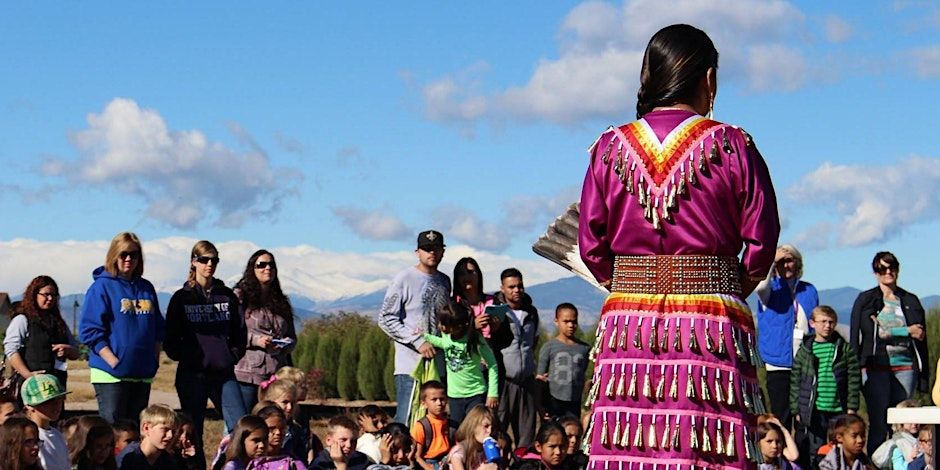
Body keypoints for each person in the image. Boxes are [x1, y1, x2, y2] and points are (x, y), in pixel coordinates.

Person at [577, 24, 780, 468]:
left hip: (628, 323)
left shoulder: (609, 148)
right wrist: (727, 284)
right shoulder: (732, 145)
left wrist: (633, 281)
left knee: (631, 445)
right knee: (705, 444)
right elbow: (762, 242)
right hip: (709, 327)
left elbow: (591, 245)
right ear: (709, 79)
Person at [165, 240, 247, 447]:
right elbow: (171, 337)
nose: (209, 264)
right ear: (194, 262)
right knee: (192, 432)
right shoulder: (182, 298)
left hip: (223, 374)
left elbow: (240, 331)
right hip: (192, 375)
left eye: (214, 260)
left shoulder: (227, 296)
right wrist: (187, 356)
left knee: (240, 426)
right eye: (204, 259)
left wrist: (231, 355)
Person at [79, 232, 164, 423]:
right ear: (113, 256)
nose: (128, 259)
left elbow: (158, 327)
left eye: (133, 254)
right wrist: (113, 360)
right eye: (123, 254)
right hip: (111, 375)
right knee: (113, 432)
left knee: (136, 432)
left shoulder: (146, 288)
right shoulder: (101, 287)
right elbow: (90, 331)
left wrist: (154, 358)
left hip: (141, 373)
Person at [850, 251, 928, 455]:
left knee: (904, 423)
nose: (888, 272)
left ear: (898, 270)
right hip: (876, 367)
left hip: (906, 367)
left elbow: (921, 334)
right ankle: (876, 462)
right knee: (878, 421)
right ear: (874, 272)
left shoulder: (910, 300)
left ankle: (902, 462)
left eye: (891, 267)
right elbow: (869, 332)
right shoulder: (866, 300)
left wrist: (924, 375)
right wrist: (906, 331)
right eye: (882, 269)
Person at [378, 230, 451, 424]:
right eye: (427, 249)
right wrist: (417, 341)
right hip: (410, 365)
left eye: (436, 249)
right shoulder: (404, 278)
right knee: (407, 419)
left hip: (438, 365)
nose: (431, 253)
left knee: (433, 421)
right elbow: (386, 318)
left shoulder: (444, 281)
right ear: (417, 251)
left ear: (443, 251)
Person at [755, 245, 818, 426]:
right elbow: (760, 286)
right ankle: (780, 452)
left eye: (789, 260)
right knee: (780, 415)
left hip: (803, 360)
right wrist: (771, 260)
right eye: (781, 262)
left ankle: (803, 453)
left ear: (797, 263)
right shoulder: (769, 290)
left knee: (805, 416)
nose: (786, 265)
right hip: (777, 361)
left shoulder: (809, 290)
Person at [790, 305, 860, 463]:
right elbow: (796, 381)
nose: (827, 326)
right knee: (816, 448)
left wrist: (852, 406)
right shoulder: (805, 351)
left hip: (838, 408)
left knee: (840, 446)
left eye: (831, 322)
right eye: (823, 321)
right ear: (812, 323)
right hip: (814, 409)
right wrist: (796, 409)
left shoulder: (844, 349)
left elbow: (854, 379)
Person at [233, 249, 298, 414]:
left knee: (272, 421)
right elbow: (231, 332)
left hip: (276, 375)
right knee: (244, 421)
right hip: (246, 374)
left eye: (271, 265)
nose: (267, 268)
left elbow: (292, 337)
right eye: (261, 265)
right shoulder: (239, 297)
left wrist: (283, 345)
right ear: (252, 269)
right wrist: (256, 340)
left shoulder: (282, 301)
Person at [423, 300, 498, 424]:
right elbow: (443, 343)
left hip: (475, 394)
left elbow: (492, 364)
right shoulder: (446, 335)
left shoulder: (475, 339)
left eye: (445, 324)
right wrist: (424, 336)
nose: (441, 327)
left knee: (474, 429)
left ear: (458, 326)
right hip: (454, 396)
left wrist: (493, 393)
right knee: (455, 431)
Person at [4, 276, 80, 389]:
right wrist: (28, 376)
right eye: (46, 294)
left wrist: (68, 350)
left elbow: (76, 352)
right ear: (34, 295)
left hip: (56, 386)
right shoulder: (22, 320)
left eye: (54, 295)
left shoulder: (58, 323)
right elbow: (11, 350)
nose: (50, 298)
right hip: (30, 387)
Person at [494, 268, 539, 449]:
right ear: (502, 288)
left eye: (519, 286)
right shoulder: (496, 312)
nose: (516, 290)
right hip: (504, 381)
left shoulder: (532, 312)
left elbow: (534, 341)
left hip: (526, 381)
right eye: (511, 287)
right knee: (498, 430)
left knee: (526, 434)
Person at [536, 303, 589, 420]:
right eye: (566, 321)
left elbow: (583, 372)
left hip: (575, 401)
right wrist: (540, 405)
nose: (571, 325)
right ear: (556, 322)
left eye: (574, 321)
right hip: (553, 401)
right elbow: (540, 378)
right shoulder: (549, 346)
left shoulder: (584, 348)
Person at [21, 373, 70, 470]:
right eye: (48, 401)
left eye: (59, 399)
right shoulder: (26, 438)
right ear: (29, 406)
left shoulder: (57, 435)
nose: (56, 405)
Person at [257, 376, 308, 463]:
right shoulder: (259, 426)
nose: (290, 407)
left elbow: (301, 459)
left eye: (293, 403)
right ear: (271, 401)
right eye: (285, 402)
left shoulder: (296, 431)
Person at [116, 404, 180, 470]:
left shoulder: (168, 461)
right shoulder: (128, 458)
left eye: (174, 431)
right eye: (165, 429)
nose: (170, 435)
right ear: (146, 428)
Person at [410, 381, 454, 470]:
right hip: (430, 463)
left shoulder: (451, 424)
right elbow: (417, 456)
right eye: (434, 399)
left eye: (442, 399)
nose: (439, 403)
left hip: (448, 460)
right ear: (424, 403)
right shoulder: (422, 426)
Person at [252, 405, 305, 470]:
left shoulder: (292, 462)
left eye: (282, 428)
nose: (278, 432)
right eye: (271, 428)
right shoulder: (249, 460)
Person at [872, 400, 921, 470]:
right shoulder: (898, 444)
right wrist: (912, 459)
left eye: (916, 418)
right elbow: (899, 468)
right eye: (909, 419)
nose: (914, 423)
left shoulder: (918, 438)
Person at [446, 405, 498, 470]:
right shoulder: (460, 452)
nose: (490, 431)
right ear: (473, 426)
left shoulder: (486, 449)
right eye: (486, 426)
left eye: (493, 428)